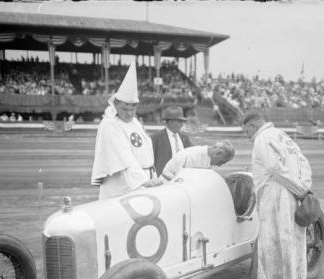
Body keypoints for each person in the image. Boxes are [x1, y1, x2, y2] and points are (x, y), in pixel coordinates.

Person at [241, 110, 312, 279]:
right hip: (292, 193)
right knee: (292, 240)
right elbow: (303, 162)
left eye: (245, 130)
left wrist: (298, 188)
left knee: (271, 242)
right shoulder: (283, 136)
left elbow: (275, 169)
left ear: (253, 126)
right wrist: (303, 187)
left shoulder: (262, 139)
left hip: (275, 194)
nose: (245, 134)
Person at [91, 59, 162, 200]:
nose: (129, 113)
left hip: (142, 181)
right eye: (125, 109)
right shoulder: (110, 124)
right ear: (115, 104)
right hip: (123, 186)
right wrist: (144, 180)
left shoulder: (134, 121)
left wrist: (151, 177)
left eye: (133, 108)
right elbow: (125, 156)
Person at [159, 140, 235, 182]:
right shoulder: (192, 158)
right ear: (218, 153)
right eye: (221, 162)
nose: (219, 165)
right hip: (167, 186)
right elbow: (180, 182)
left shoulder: (206, 158)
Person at [151, 106, 193, 177]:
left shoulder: (184, 138)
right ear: (170, 122)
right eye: (180, 121)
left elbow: (194, 151)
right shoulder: (156, 138)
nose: (182, 124)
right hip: (163, 180)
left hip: (181, 178)